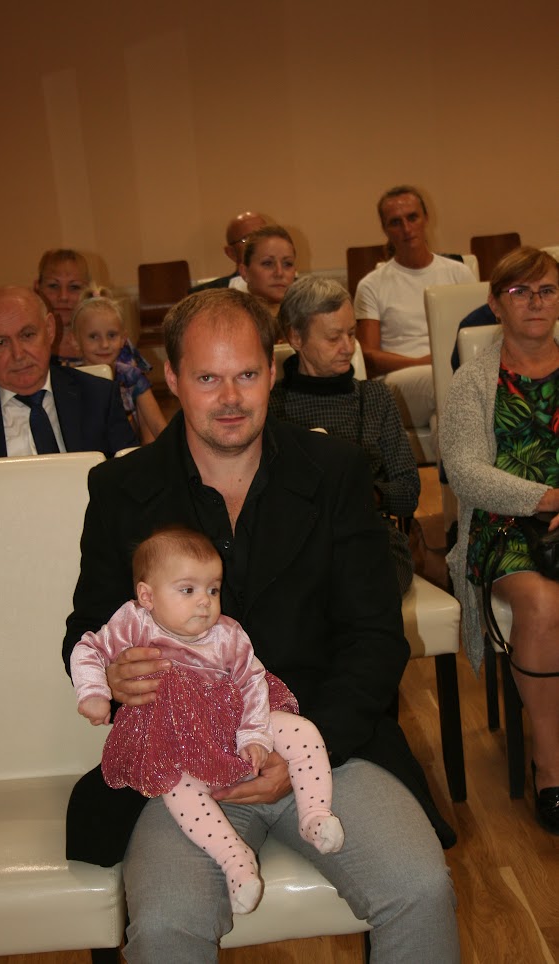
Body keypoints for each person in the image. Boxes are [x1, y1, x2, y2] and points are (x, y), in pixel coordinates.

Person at [62, 286, 459, 963]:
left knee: (420, 890)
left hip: (327, 740)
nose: (230, 398)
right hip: (183, 759)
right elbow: (87, 629)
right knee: (166, 926)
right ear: (172, 378)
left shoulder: (335, 471)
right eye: (207, 378)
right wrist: (113, 676)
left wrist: (303, 749)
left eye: (246, 374)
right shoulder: (121, 490)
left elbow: (374, 638)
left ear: (272, 372)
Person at [71, 525, 344, 914]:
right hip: (177, 738)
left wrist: (254, 735)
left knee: (303, 732)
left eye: (213, 590)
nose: (205, 602)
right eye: (188, 590)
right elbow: (88, 648)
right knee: (177, 787)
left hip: (235, 720)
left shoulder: (227, 634)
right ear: (147, 596)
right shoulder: (134, 623)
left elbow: (252, 682)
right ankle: (235, 860)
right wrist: (95, 692)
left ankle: (314, 814)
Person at [440, 246, 559, 834]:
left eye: (547, 290)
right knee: (542, 603)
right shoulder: (473, 381)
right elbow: (465, 473)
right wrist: (549, 499)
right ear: (495, 303)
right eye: (520, 292)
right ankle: (551, 766)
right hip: (503, 526)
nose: (535, 302)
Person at [270, 275, 419, 594]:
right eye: (333, 338)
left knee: (355, 586)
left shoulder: (376, 398)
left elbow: (408, 491)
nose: (348, 348)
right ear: (296, 337)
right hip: (295, 541)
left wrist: (368, 493)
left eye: (351, 334)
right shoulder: (271, 405)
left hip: (370, 539)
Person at [0, 286, 136, 465]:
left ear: (49, 330)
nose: (18, 354)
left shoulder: (99, 397)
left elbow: (132, 480)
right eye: (0, 343)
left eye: (27, 335)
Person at [354, 185, 476, 431]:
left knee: (442, 422)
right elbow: (368, 354)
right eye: (395, 222)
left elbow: (477, 333)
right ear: (385, 229)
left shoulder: (459, 273)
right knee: (445, 382)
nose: (407, 229)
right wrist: (422, 362)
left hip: (451, 374)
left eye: (412, 218)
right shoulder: (372, 285)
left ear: (426, 218)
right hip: (400, 381)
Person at [71, 293, 167, 444]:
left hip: (130, 454)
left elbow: (159, 428)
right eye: (93, 336)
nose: (104, 344)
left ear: (123, 339)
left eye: (112, 335)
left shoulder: (132, 377)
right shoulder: (70, 382)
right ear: (75, 341)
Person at [238, 225, 297, 336]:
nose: (279, 273)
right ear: (244, 272)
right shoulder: (232, 322)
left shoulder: (309, 320)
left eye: (287, 264)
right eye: (267, 263)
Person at [34, 248, 91, 363]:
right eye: (53, 286)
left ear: (88, 291)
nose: (63, 297)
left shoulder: (108, 340)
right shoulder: (24, 345)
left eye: (74, 287)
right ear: (37, 288)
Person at [189, 211, 267, 292]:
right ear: (231, 253)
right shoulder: (206, 293)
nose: (259, 243)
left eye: (263, 236)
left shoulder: (276, 288)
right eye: (247, 239)